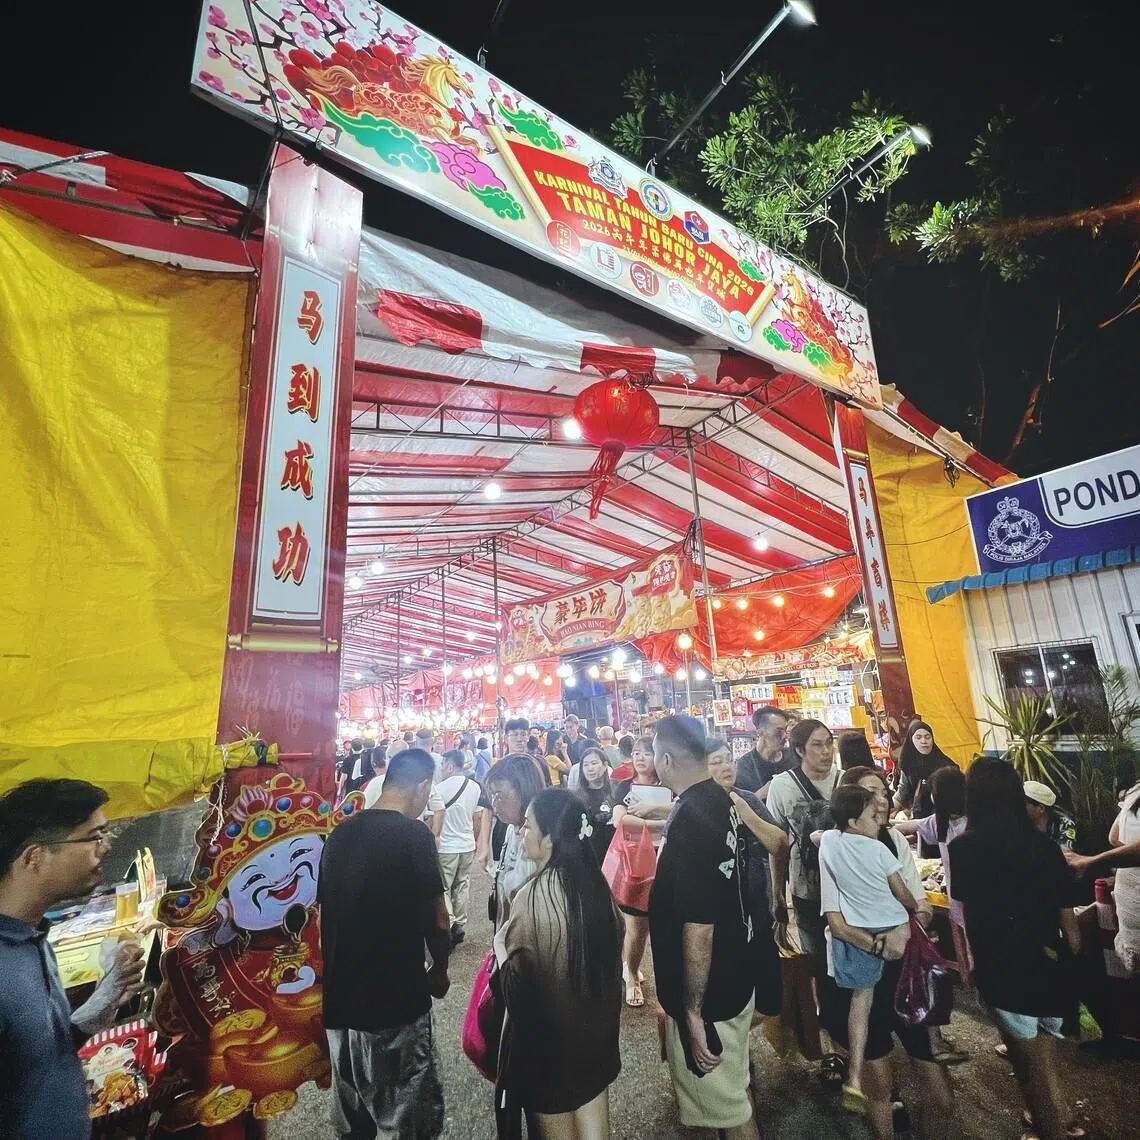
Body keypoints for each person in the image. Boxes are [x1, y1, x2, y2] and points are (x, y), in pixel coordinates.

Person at [0, 779, 145, 1140]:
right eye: (94, 837)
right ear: (35, 857)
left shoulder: (33, 936)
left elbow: (38, 1057)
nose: (107, 848)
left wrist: (99, 1003)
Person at [319, 748, 451, 1140]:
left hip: (341, 1009)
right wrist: (439, 970)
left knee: (353, 1123)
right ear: (422, 785)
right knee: (406, 1121)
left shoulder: (340, 834)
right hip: (394, 1008)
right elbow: (439, 920)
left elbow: (327, 917)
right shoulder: (414, 835)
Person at [950, 758, 1080, 1140]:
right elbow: (1066, 914)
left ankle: (1050, 1128)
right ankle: (1062, 1114)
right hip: (1050, 962)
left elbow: (971, 913)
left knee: (1028, 1068)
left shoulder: (965, 848)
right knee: (1044, 1055)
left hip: (1005, 969)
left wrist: (971, 961)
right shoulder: (1044, 846)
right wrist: (1073, 961)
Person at [824, 766, 955, 1140]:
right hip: (861, 972)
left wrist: (904, 927)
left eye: (882, 792)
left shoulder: (894, 841)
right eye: (869, 794)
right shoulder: (835, 847)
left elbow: (920, 905)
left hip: (905, 977)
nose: (880, 800)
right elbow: (836, 921)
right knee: (879, 1089)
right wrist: (881, 945)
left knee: (941, 1097)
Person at [650, 716, 758, 1140]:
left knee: (727, 1110)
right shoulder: (719, 799)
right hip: (735, 970)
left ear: (665, 758)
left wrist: (693, 1011)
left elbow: (699, 926)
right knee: (732, 1094)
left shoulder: (691, 820)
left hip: (712, 992)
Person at [495, 788, 624, 1140]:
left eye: (528, 826)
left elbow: (518, 992)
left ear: (550, 837)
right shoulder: (595, 886)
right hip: (596, 1042)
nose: (522, 832)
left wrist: (500, 949)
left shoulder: (532, 898)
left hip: (549, 1053)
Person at [820, 783, 918, 1114]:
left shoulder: (831, 842)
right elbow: (904, 894)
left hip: (856, 936)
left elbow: (817, 837)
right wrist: (912, 909)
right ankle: (932, 1043)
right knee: (912, 986)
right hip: (889, 930)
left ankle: (856, 1076)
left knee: (861, 1004)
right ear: (853, 821)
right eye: (872, 815)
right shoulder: (879, 850)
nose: (879, 820)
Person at [707, 739, 788, 1020]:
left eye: (728, 759)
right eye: (716, 762)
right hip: (718, 920)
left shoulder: (748, 799)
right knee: (727, 997)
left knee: (769, 999)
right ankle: (736, 1054)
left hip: (757, 911)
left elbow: (778, 844)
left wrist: (743, 811)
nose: (726, 766)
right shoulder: (693, 806)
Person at [893, 765, 971, 983]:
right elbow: (909, 826)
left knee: (975, 946)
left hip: (967, 898)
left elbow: (908, 827)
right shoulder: (942, 821)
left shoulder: (968, 824)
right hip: (963, 899)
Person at [611, 734, 672, 1008]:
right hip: (636, 861)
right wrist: (662, 823)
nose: (640, 757)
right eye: (636, 752)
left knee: (668, 923)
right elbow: (620, 821)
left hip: (668, 858)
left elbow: (684, 808)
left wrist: (649, 812)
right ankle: (632, 973)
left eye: (647, 752)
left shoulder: (670, 786)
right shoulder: (624, 787)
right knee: (637, 926)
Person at [1065, 779, 1140, 972]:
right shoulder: (1135, 791)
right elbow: (1114, 838)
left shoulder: (1135, 792)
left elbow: (1116, 838)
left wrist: (1091, 860)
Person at [484, 755, 547, 927]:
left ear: (524, 791)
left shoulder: (540, 839)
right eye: (492, 796)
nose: (494, 804)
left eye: (499, 795)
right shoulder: (512, 828)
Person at [435, 750, 486, 949]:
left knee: (444, 887)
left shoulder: (439, 789)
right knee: (462, 884)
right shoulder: (474, 787)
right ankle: (460, 924)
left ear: (449, 765)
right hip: (466, 844)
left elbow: (434, 819)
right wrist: (474, 840)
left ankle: (451, 923)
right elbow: (478, 817)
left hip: (446, 847)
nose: (441, 769)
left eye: (442, 765)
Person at [894, 721, 956, 837]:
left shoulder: (946, 765)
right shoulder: (908, 764)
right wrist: (888, 808)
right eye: (918, 737)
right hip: (919, 818)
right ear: (911, 741)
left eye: (927, 737)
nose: (924, 741)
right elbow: (903, 791)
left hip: (944, 819)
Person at [574, 748, 618, 865]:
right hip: (591, 858)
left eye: (594, 763)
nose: (590, 768)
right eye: (585, 765)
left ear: (605, 766)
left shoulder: (616, 791)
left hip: (615, 854)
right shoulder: (576, 798)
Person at [735, 706, 790, 797]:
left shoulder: (794, 758)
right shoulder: (743, 768)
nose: (785, 736)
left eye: (786, 730)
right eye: (779, 732)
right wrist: (760, 795)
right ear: (760, 732)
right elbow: (739, 806)